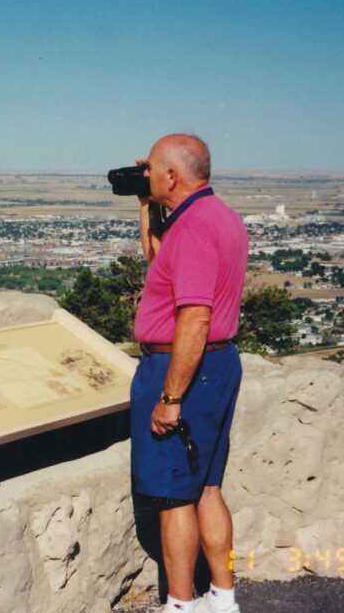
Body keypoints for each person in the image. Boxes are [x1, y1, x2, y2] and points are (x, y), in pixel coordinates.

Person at [130, 134, 248, 613]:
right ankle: (222, 597)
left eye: (153, 169)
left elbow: (194, 317)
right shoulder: (217, 217)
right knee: (207, 487)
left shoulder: (194, 228)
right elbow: (162, 265)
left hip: (184, 368)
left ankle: (180, 606)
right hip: (218, 364)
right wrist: (145, 206)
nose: (149, 175)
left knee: (173, 496)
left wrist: (170, 395)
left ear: (172, 175)